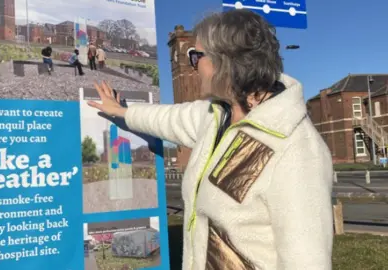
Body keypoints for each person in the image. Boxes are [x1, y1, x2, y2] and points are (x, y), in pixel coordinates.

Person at [87, 9, 333, 270]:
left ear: (225, 60)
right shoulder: (217, 115)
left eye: (196, 56)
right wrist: (123, 112)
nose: (194, 66)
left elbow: (307, 260)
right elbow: (168, 118)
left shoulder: (295, 144)